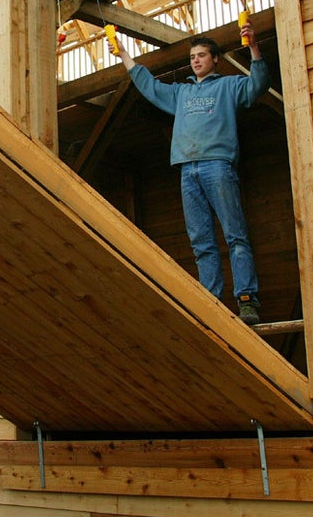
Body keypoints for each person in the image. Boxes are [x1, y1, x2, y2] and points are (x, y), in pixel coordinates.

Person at [113, 19, 270, 324]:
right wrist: (123, 55)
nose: (196, 60)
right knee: (201, 242)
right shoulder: (181, 94)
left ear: (214, 59)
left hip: (218, 165)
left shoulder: (228, 86)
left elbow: (257, 85)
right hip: (187, 169)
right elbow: (149, 86)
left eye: (201, 55)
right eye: (192, 57)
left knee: (235, 235)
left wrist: (252, 46)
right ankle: (211, 301)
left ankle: (247, 300)